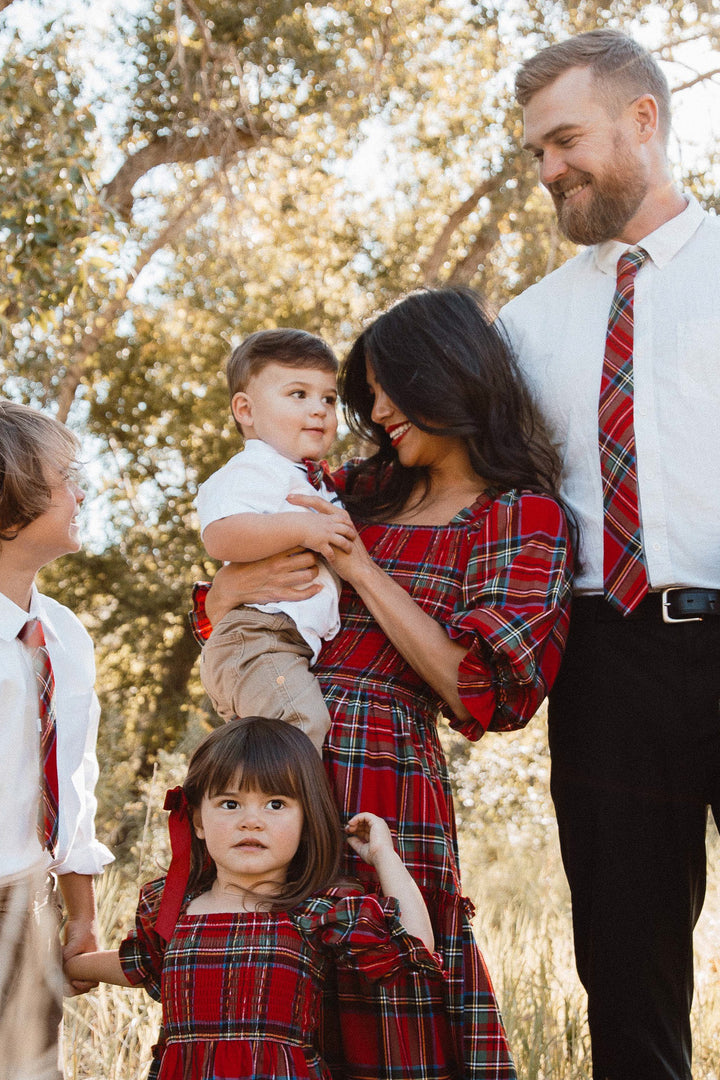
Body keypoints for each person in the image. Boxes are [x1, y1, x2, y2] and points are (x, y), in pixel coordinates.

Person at [192, 287, 574, 1079]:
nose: (372, 408)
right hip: (271, 763)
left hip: (384, 783)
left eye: (384, 387)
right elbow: (232, 592)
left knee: (385, 997)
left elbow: (484, 694)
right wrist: (224, 594)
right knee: (257, 999)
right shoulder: (356, 490)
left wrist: (361, 569)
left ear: (446, 376)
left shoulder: (520, 516)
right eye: (362, 392)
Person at [498, 29, 720, 1080]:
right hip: (602, 665)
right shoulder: (525, 325)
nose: (548, 172)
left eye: (565, 141)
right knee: (627, 975)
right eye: (536, 153)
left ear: (644, 120)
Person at [65, 716, 450, 1079]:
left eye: (276, 804)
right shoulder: (171, 907)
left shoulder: (316, 910)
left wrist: (384, 855)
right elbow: (141, 965)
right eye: (230, 804)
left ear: (305, 820)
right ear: (198, 821)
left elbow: (415, 944)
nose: (252, 820)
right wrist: (68, 964)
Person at [0, 399, 114, 1079]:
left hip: (29, 904)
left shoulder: (64, 635)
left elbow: (76, 783)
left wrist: (82, 915)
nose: (80, 493)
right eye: (65, 477)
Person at [195, 328, 356, 754]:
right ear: (245, 410)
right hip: (258, 634)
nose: (319, 410)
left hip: (283, 643)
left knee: (279, 742)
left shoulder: (309, 477)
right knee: (298, 729)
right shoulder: (254, 468)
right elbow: (222, 535)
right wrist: (302, 529)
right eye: (298, 394)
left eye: (328, 398)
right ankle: (274, 820)